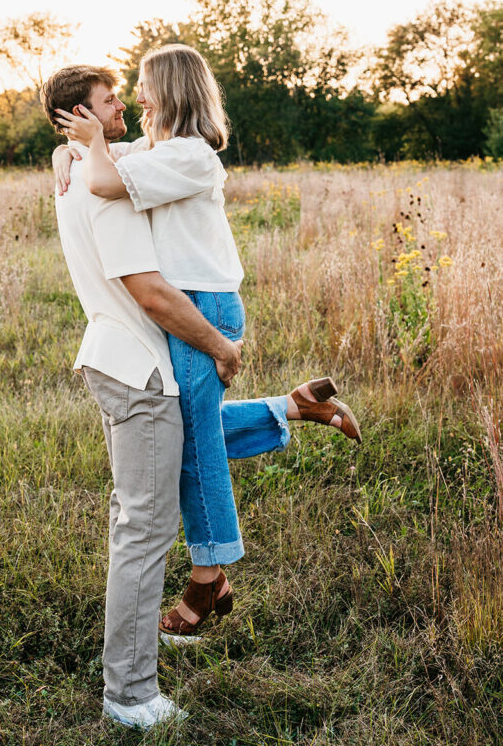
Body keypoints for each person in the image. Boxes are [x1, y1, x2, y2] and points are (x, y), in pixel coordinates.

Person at [53, 45, 362, 642]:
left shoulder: (191, 157)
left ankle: (207, 575)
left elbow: (104, 177)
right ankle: (296, 407)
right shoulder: (155, 150)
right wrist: (65, 147)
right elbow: (100, 158)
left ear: (170, 92)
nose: (136, 99)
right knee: (183, 430)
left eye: (143, 87)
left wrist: (84, 151)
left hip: (202, 305)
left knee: (191, 437)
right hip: (186, 300)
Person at [39, 64, 243, 730]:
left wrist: (68, 146)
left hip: (110, 356)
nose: (123, 103)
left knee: (150, 501)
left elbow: (102, 157)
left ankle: (292, 410)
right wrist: (217, 344)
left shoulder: (83, 167)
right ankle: (129, 695)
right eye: (108, 101)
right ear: (81, 118)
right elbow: (151, 292)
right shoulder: (108, 190)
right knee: (143, 530)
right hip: (140, 372)